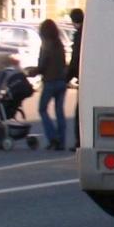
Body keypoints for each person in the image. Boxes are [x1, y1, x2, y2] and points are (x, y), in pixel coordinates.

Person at [32, 18, 67, 150]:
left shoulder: (46, 46)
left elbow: (42, 66)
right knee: (59, 112)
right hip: (61, 82)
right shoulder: (60, 44)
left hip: (50, 82)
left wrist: (32, 72)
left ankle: (53, 137)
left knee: (42, 109)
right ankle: (62, 141)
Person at [66, 8, 83, 151]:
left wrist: (67, 76)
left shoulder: (79, 35)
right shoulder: (91, 31)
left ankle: (80, 141)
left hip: (84, 79)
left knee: (80, 112)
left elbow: (76, 59)